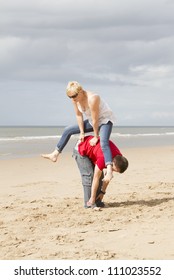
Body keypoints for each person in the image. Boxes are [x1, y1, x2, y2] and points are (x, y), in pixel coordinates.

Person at [42, 81, 116, 182]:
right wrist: (82, 132)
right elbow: (78, 115)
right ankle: (55, 153)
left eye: (74, 96)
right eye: (70, 97)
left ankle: (109, 170)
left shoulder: (93, 98)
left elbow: (96, 120)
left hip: (104, 121)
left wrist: (96, 136)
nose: (73, 98)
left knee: (103, 143)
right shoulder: (75, 100)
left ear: (80, 91)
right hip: (92, 121)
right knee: (68, 130)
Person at [73, 135, 128, 208]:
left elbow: (106, 178)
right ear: (113, 162)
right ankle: (89, 204)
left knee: (100, 177)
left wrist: (102, 192)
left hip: (93, 150)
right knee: (89, 176)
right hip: (81, 148)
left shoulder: (118, 158)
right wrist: (92, 198)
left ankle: (97, 202)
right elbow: (95, 178)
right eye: (113, 169)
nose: (112, 171)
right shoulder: (103, 159)